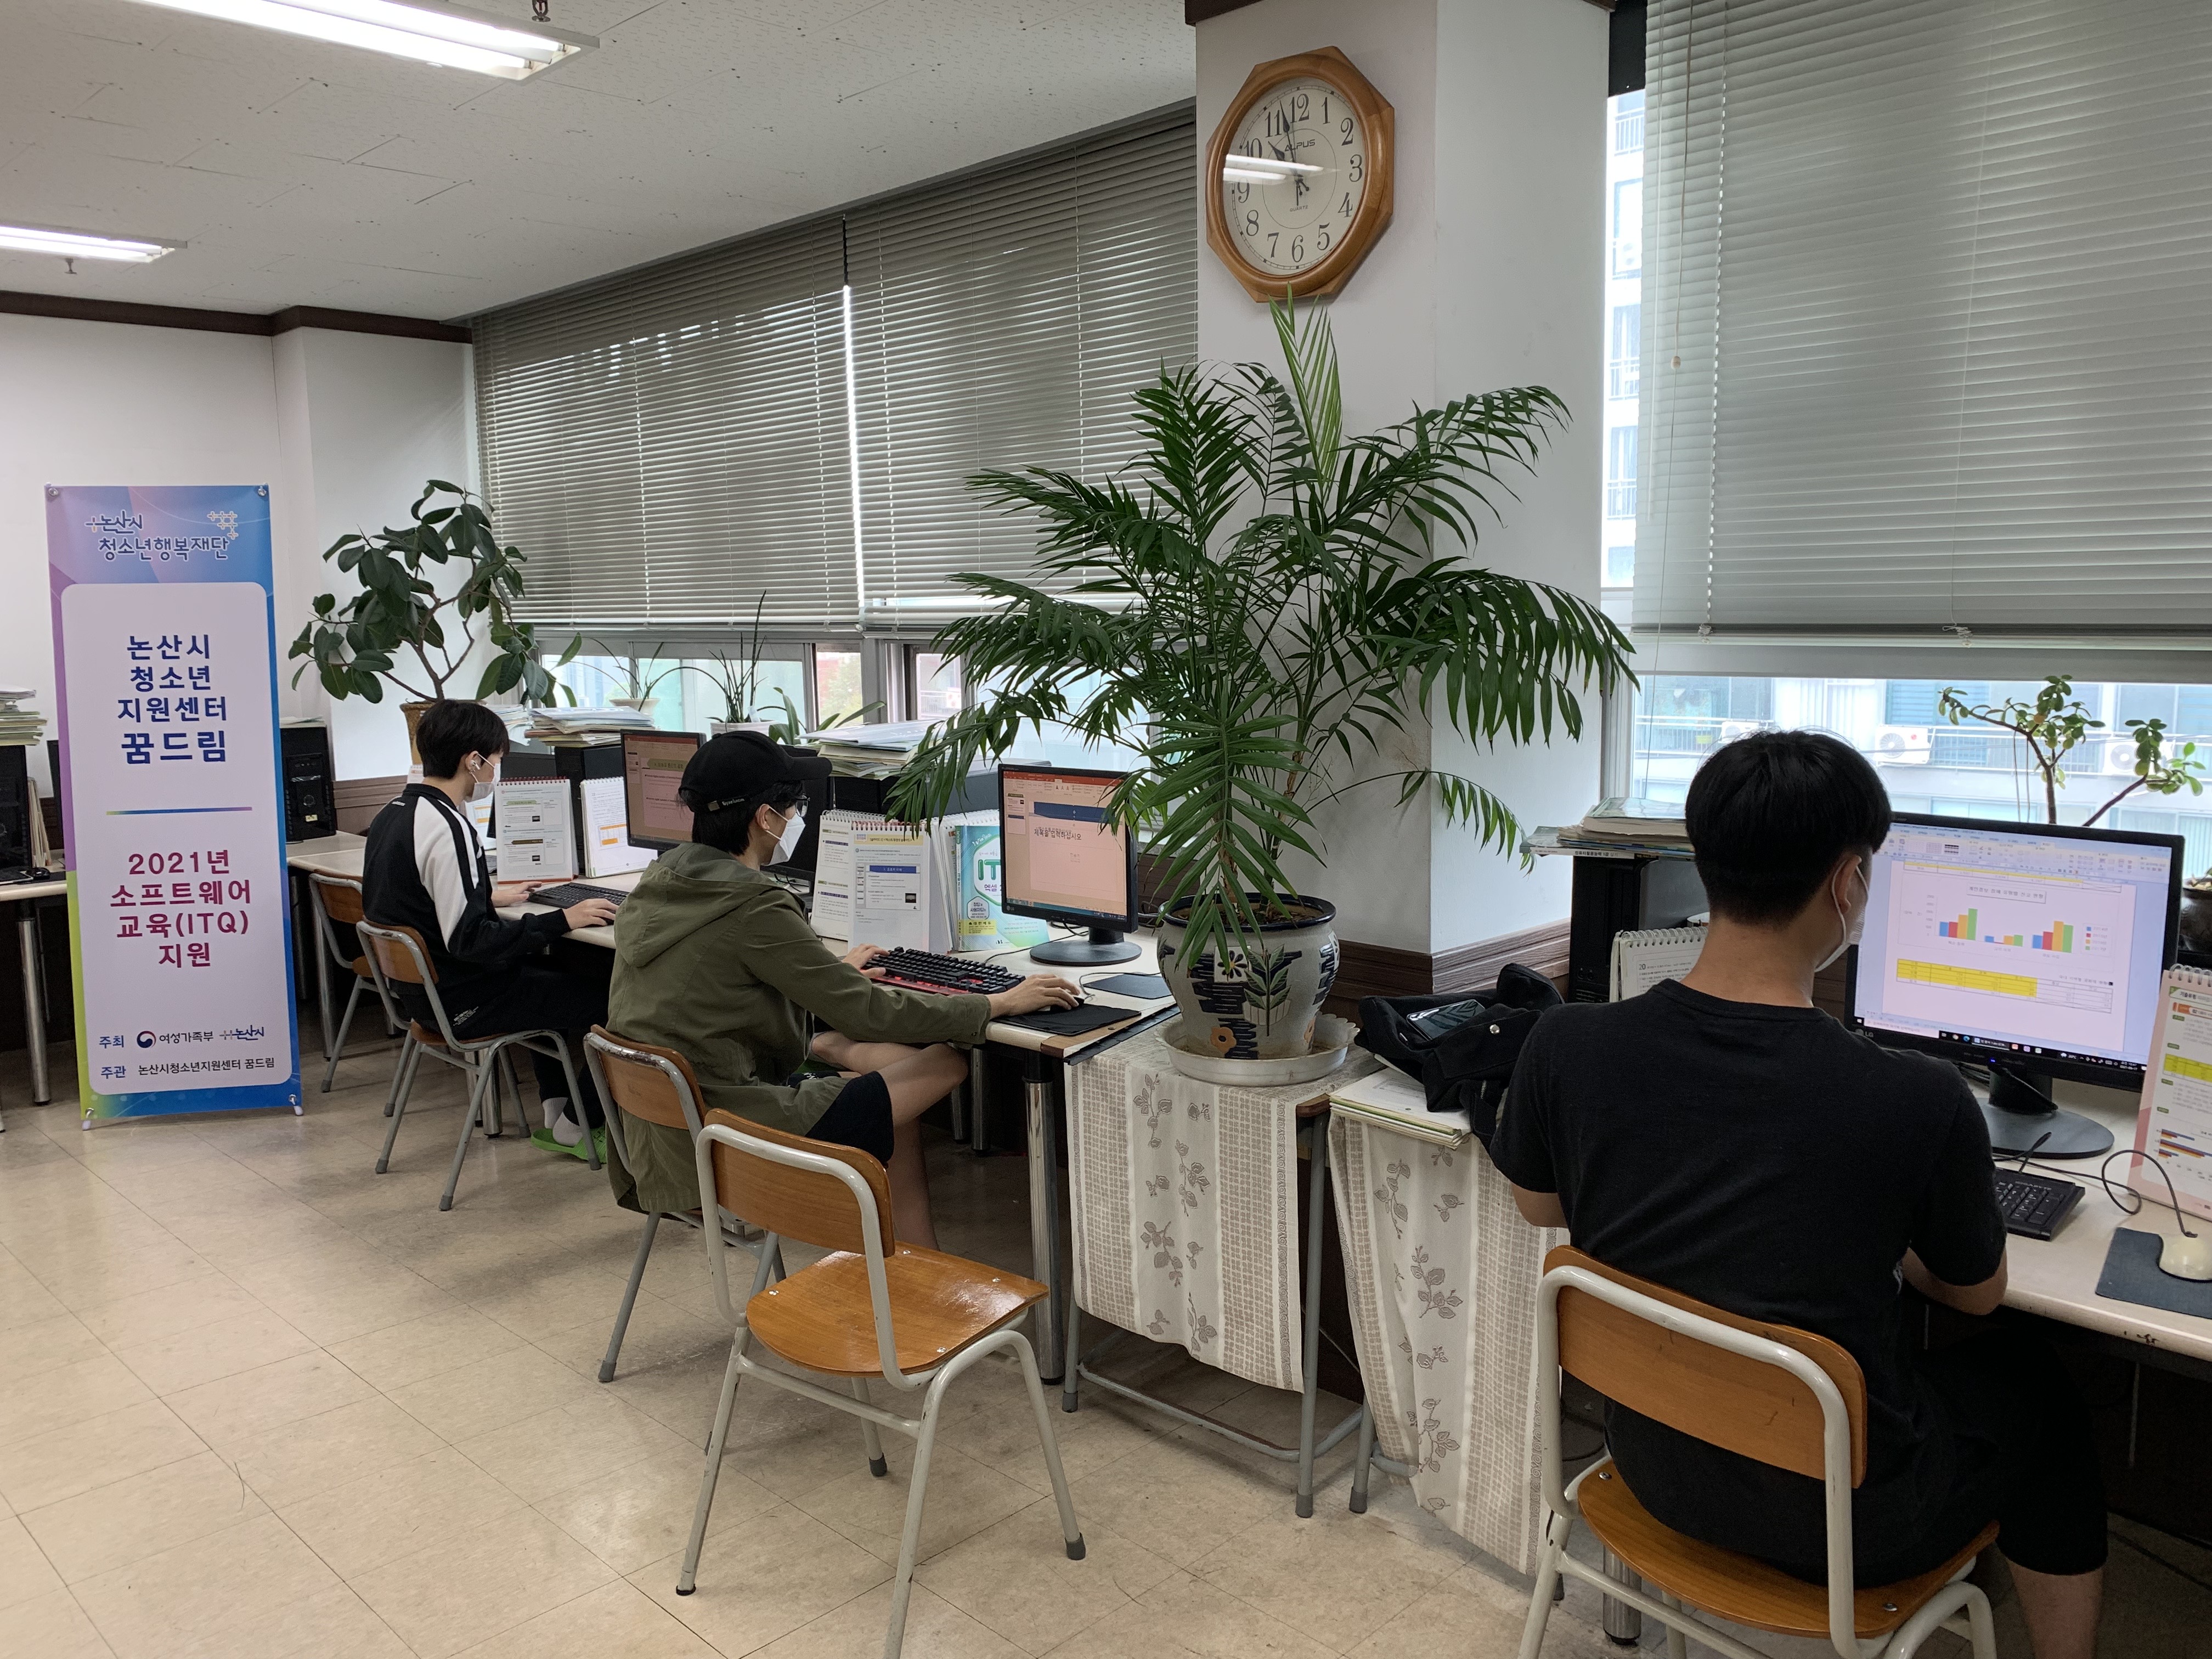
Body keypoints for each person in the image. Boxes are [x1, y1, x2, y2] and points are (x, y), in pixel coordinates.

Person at [1490, 730, 2105, 1659]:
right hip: (1851, 1526)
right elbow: (1976, 1295)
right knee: (2037, 1386)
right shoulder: (1915, 1096)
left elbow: (1540, 1207)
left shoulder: (1566, 1044)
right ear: (1847, 883)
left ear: (1703, 862)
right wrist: (1885, 1227)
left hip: (1654, 1466)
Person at [604, 730, 1079, 1248]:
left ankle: (914, 1257)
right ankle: (830, 1052)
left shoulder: (662, 883)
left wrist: (829, 973)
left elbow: (720, 981)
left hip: (664, 1134)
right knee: (944, 1063)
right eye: (795, 807)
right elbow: (871, 1014)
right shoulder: (753, 906)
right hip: (727, 1134)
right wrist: (995, 1002)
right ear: (766, 818)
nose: (798, 818)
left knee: (885, 1092)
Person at [360, 698, 618, 1156]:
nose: (496, 772)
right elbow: (473, 941)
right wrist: (563, 918)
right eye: (496, 760)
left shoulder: (394, 812)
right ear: (473, 760)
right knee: (619, 1003)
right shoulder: (448, 826)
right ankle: (580, 1124)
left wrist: (482, 895)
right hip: (463, 1002)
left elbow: (411, 897)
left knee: (548, 975)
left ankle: (557, 1109)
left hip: (421, 996)